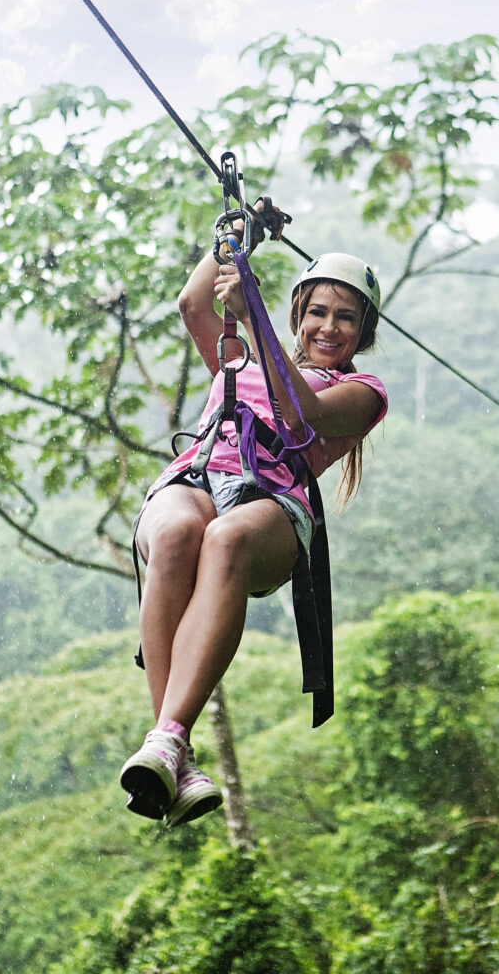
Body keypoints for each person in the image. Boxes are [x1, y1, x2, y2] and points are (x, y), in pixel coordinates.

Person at [120, 206, 388, 828]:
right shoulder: (238, 361)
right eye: (318, 311)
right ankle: (171, 746)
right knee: (181, 530)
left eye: (345, 317)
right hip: (197, 475)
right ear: (301, 314)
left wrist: (253, 314)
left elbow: (300, 417)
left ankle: (168, 740)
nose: (329, 327)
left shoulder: (364, 392)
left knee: (226, 538)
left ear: (363, 332)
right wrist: (241, 237)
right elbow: (193, 304)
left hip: (269, 501)